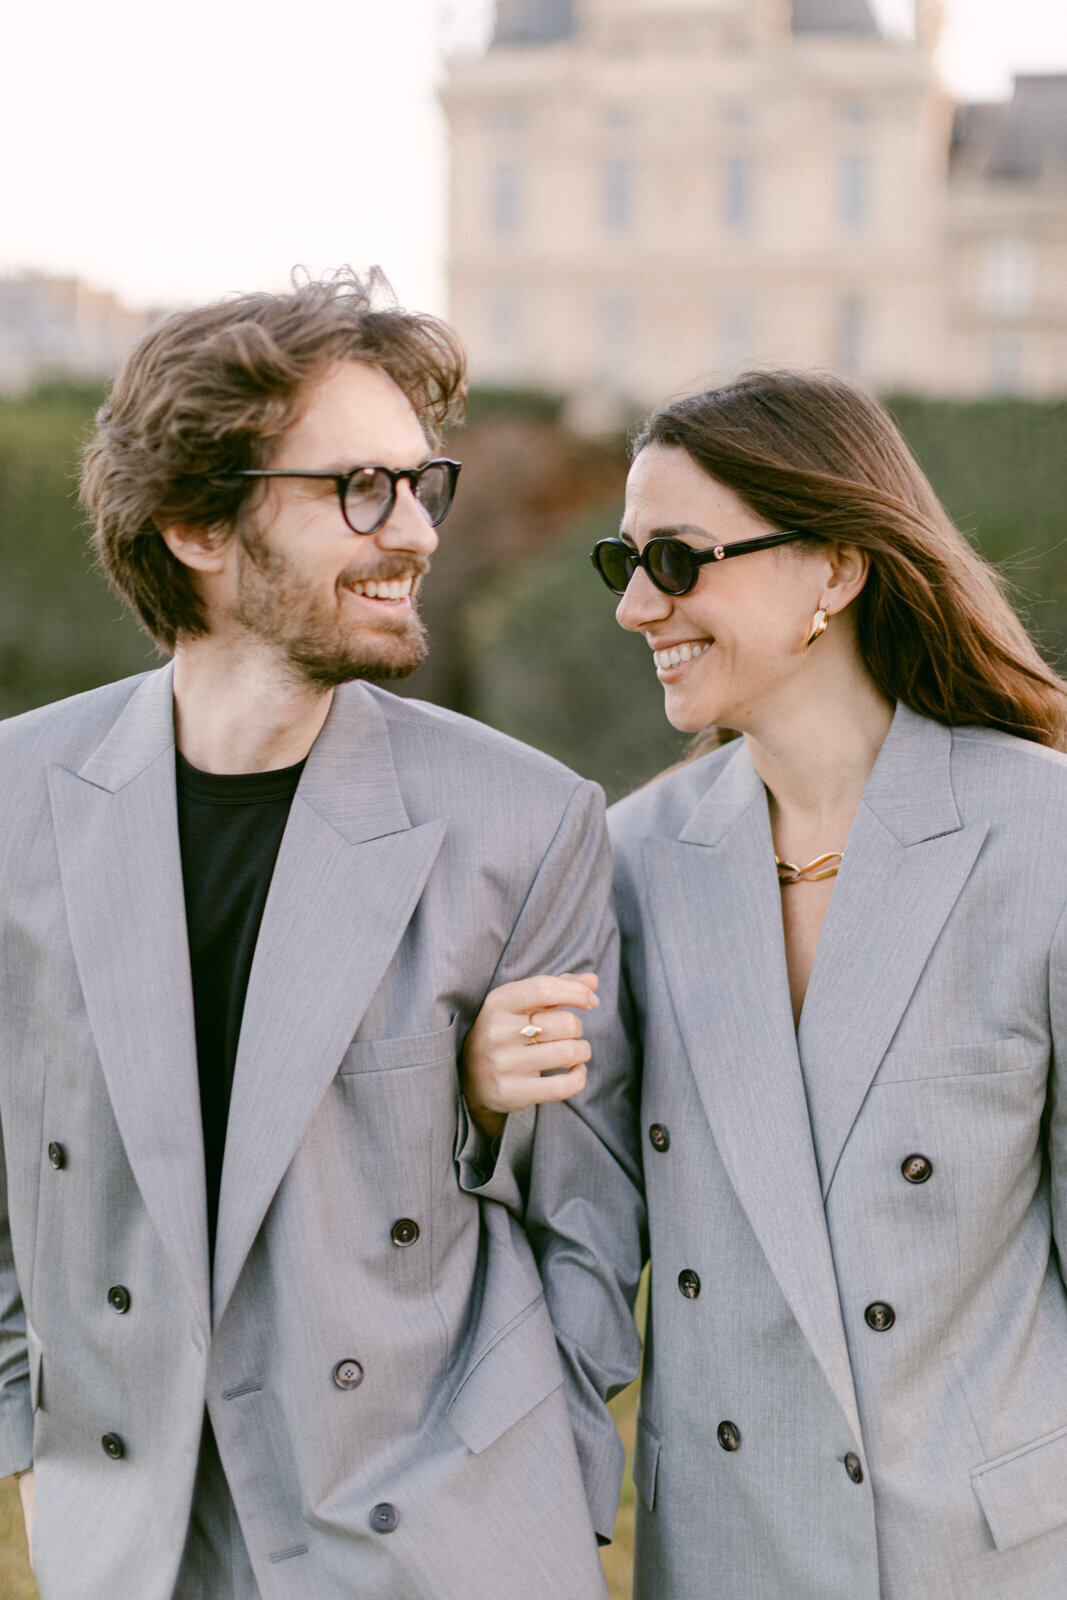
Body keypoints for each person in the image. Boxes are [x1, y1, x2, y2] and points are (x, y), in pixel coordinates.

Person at [0, 271, 643, 1600]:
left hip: (440, 1549)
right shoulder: (14, 808)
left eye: (422, 484)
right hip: (132, 1544)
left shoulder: (525, 824)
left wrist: (542, 1487)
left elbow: (587, 1223)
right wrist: (34, 1442)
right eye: (360, 487)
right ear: (195, 525)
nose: (412, 529)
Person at [463, 370, 1067, 1599]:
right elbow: (573, 1242)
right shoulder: (625, 863)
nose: (636, 606)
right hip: (728, 1554)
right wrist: (481, 1097)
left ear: (834, 571)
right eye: (619, 562)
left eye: (678, 560)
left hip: (995, 1555)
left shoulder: (1040, 836)